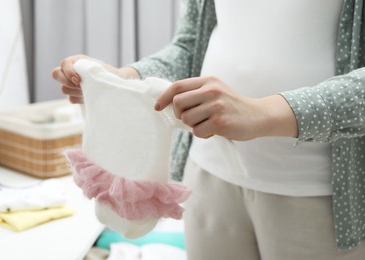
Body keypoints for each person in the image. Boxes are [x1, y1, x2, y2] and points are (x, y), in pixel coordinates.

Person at [52, 0, 365, 259]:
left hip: (317, 191)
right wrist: (125, 79)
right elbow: (191, 46)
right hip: (209, 176)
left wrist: (263, 112)